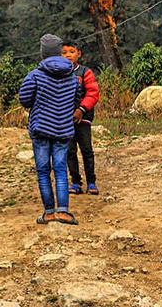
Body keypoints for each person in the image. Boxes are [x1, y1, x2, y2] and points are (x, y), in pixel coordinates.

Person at [17, 33, 82, 225]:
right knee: (61, 170)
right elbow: (76, 100)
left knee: (43, 171)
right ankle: (63, 211)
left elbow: (25, 100)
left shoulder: (35, 75)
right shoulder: (72, 76)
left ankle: (49, 213)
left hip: (41, 130)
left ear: (42, 54)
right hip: (63, 130)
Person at [61, 38, 100, 195]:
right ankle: (76, 182)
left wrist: (81, 109)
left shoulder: (85, 72)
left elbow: (93, 92)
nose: (68, 55)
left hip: (83, 118)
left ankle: (91, 182)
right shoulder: (58, 74)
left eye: (72, 52)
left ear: (79, 54)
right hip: (65, 120)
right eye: (64, 53)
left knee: (86, 150)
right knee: (69, 151)